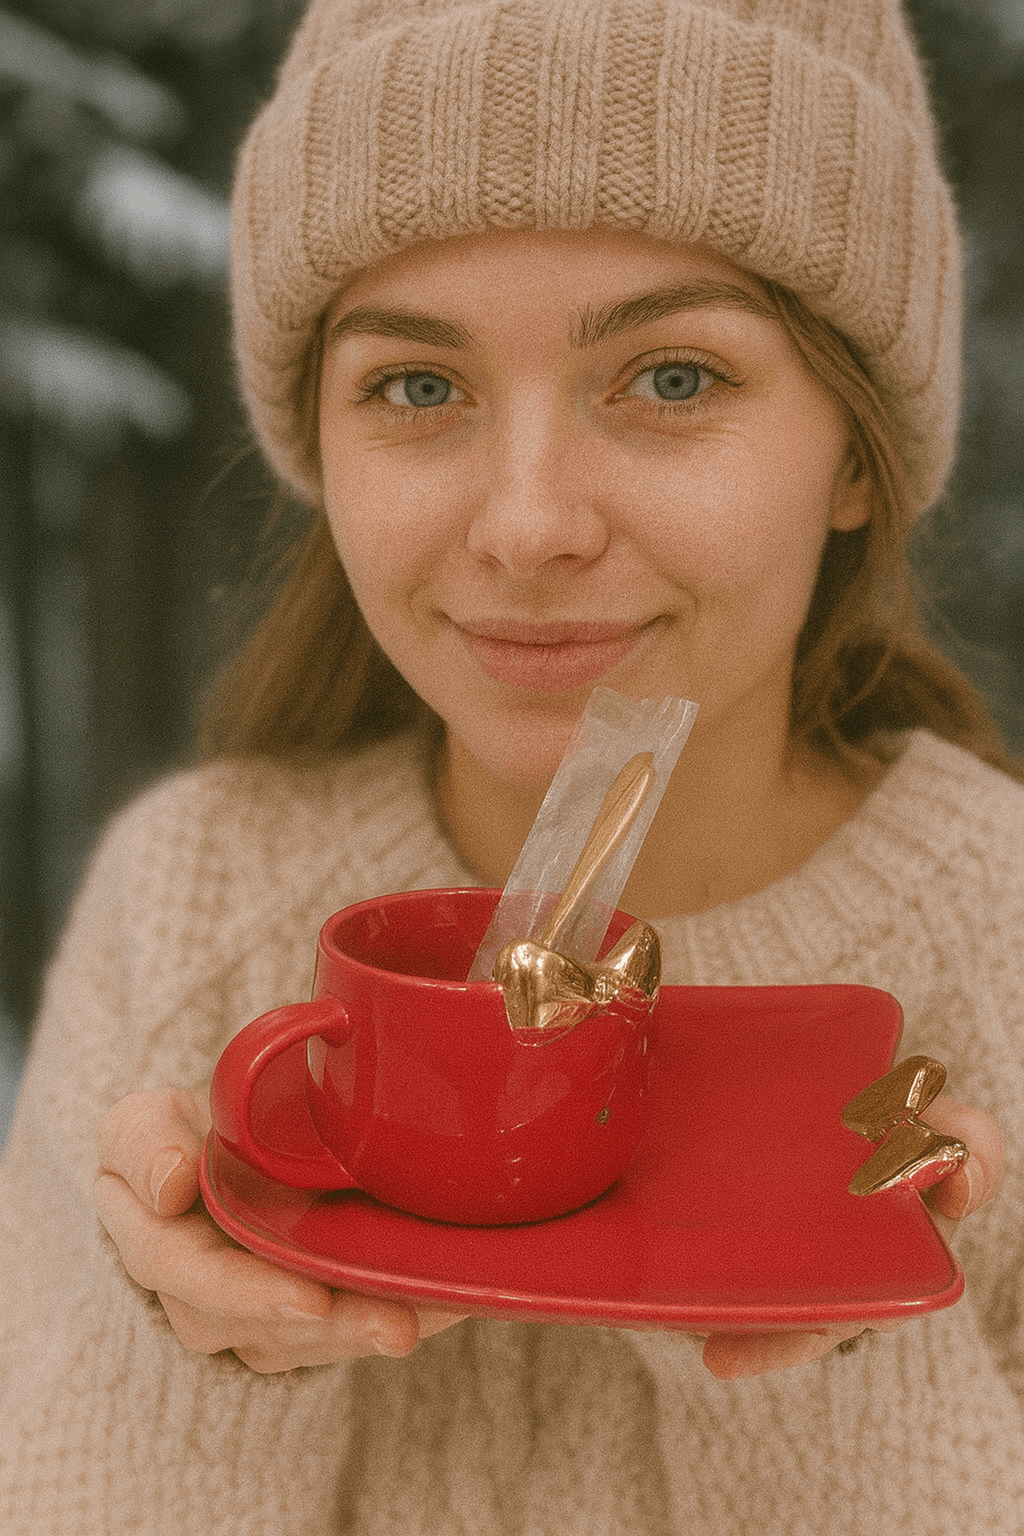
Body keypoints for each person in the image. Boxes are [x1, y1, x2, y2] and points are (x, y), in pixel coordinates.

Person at [1, 0, 1022, 1529]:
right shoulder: (195, 903)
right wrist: (196, 1348)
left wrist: (822, 1320)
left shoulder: (1001, 951)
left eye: (673, 378)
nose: (527, 524)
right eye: (419, 388)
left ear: (857, 456)